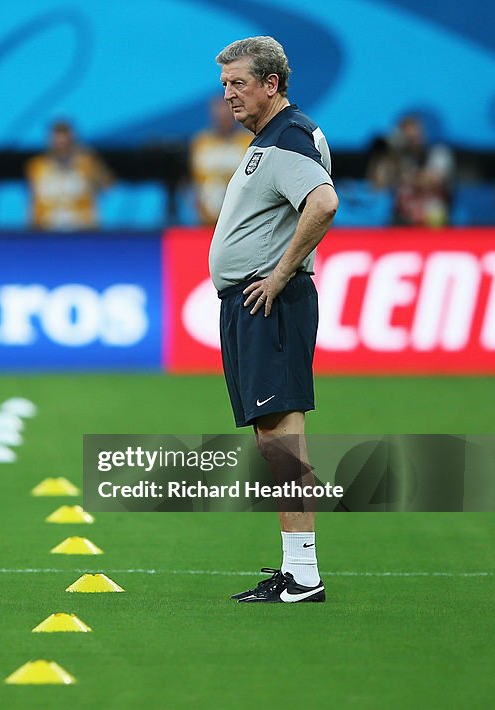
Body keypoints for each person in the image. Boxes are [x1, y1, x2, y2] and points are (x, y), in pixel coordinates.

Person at [208, 36, 339, 603]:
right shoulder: (275, 139)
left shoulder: (286, 138)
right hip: (253, 303)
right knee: (274, 439)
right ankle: (296, 571)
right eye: (225, 86)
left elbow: (324, 202)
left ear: (271, 84)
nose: (230, 96)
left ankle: (304, 576)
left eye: (239, 84)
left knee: (283, 440)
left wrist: (282, 273)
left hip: (269, 302)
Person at [367, 114, 455, 226]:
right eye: (407, 137)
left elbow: (432, 180)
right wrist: (383, 157)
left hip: (433, 221)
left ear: (422, 133)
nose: (411, 140)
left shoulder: (438, 153)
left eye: (414, 135)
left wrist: (403, 173)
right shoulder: (397, 158)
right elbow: (377, 185)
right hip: (401, 222)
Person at [25, 120, 113, 230]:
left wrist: (92, 159)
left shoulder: (86, 163)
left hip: (82, 230)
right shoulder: (37, 166)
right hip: (48, 231)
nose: (61, 146)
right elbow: (32, 202)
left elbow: (108, 187)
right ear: (50, 141)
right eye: (57, 141)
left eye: (65, 141)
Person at [190, 96, 253, 225]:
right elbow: (191, 180)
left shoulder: (248, 141)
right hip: (205, 220)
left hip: (239, 220)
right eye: (219, 113)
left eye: (226, 114)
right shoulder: (200, 142)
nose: (223, 118)